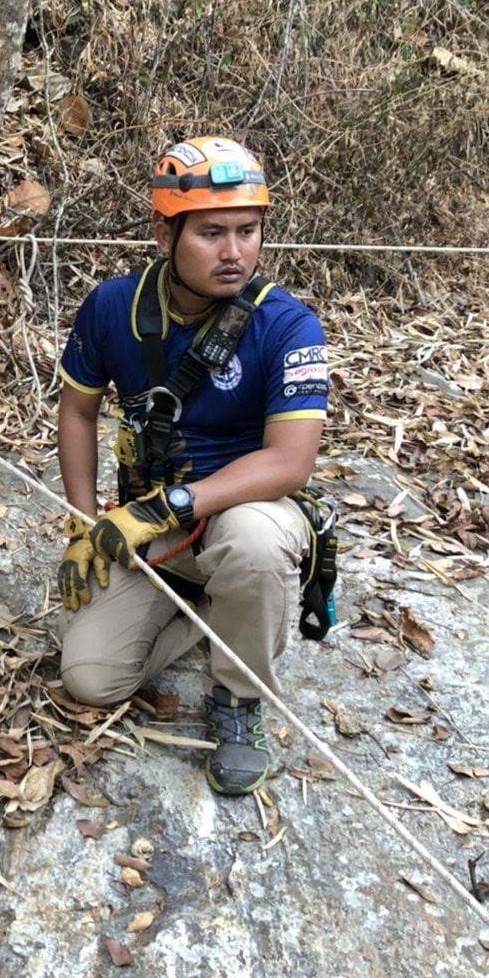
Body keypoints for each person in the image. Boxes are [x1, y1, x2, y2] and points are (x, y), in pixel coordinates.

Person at [54, 135, 328, 795]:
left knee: (255, 543)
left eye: (248, 231)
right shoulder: (113, 307)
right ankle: (215, 604)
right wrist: (83, 520)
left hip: (239, 518)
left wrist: (162, 510)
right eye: (211, 233)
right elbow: (78, 413)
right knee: (90, 680)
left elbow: (290, 464)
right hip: (156, 535)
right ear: (163, 231)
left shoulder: (287, 326)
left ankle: (238, 698)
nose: (234, 252)